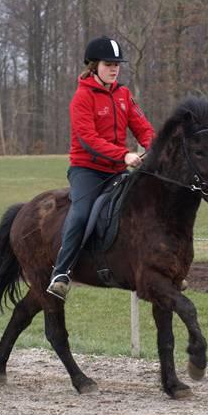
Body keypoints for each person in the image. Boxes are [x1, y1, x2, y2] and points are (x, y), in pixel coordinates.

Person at [47, 36, 155, 301]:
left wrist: (154, 147)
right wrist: (125, 154)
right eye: (109, 64)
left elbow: (143, 127)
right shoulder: (81, 98)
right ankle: (61, 273)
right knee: (82, 213)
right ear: (94, 66)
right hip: (87, 170)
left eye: (117, 64)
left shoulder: (124, 94)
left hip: (117, 170)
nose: (114, 69)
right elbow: (89, 140)